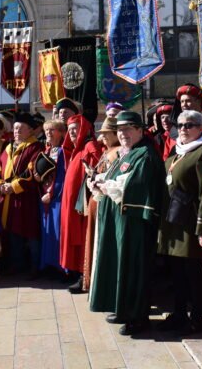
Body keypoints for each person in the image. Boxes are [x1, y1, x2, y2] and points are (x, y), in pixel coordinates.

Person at [89, 111, 165, 336]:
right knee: (119, 265)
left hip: (135, 224)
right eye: (120, 130)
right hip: (118, 220)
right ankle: (121, 308)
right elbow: (114, 179)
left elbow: (133, 187)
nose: (123, 134)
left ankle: (138, 318)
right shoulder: (126, 153)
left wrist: (106, 186)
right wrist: (99, 181)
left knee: (134, 269)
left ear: (140, 130)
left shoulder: (146, 155)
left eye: (128, 129)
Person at [158, 110, 202, 334]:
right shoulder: (176, 152)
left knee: (194, 274)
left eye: (189, 125)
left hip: (190, 223)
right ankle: (179, 313)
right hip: (172, 222)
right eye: (180, 124)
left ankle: (196, 318)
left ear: (201, 128)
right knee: (177, 273)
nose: (183, 129)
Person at [0, 112, 44, 276]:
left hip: (26, 197)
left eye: (21, 128)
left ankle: (34, 268)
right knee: (13, 232)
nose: (17, 131)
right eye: (15, 128)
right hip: (8, 198)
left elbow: (32, 171)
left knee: (30, 233)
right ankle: (17, 265)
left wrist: (13, 186)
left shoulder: (36, 148)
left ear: (30, 130)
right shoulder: (8, 148)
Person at [60, 114, 103, 293]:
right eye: (69, 131)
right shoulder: (76, 150)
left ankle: (84, 277)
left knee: (84, 239)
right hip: (74, 206)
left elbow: (97, 170)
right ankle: (79, 274)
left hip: (84, 206)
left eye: (75, 130)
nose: (72, 134)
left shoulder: (90, 147)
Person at [83, 118, 120, 292]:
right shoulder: (107, 151)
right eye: (102, 134)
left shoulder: (117, 152)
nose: (103, 137)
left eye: (107, 134)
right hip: (97, 201)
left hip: (107, 202)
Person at [36, 119, 67, 273]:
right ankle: (48, 265)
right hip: (45, 196)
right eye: (46, 130)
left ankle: (60, 268)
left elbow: (62, 176)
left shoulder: (62, 151)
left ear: (61, 133)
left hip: (57, 198)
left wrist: (51, 193)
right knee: (47, 232)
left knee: (57, 231)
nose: (48, 133)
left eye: (52, 130)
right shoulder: (47, 150)